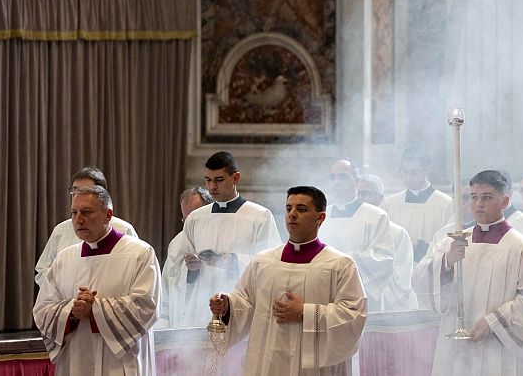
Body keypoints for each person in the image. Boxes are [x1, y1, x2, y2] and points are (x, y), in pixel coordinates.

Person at [209, 186, 367, 375]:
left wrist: (305, 312)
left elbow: (354, 315)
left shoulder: (339, 264)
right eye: (288, 208)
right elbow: (245, 301)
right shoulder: (263, 261)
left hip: (312, 367)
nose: (292, 214)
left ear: (320, 217)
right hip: (268, 361)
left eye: (301, 209)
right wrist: (227, 305)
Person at [414, 170, 523, 375]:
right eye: (474, 197)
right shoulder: (454, 242)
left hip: (500, 347)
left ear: (505, 201)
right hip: (458, 352)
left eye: (487, 197)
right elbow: (420, 279)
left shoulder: (521, 248)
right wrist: (446, 262)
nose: (478, 204)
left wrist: (493, 322)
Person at [34, 186, 160, 375]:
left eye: (86, 212)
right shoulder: (64, 259)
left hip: (120, 363)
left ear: (108, 215)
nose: (78, 219)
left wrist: (94, 309)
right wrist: (72, 311)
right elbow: (43, 309)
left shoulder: (139, 253)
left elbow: (146, 306)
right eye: (74, 213)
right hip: (75, 360)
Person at [182, 151, 282, 326]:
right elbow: (180, 270)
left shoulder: (260, 216)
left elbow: (272, 265)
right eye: (208, 180)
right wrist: (192, 267)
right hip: (202, 306)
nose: (212, 186)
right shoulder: (195, 218)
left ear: (235, 178)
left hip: (242, 305)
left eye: (219, 180)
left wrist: (233, 261)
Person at [35, 167, 138, 286]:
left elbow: (133, 273)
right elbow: (42, 271)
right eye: (75, 192)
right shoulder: (61, 230)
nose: (79, 196)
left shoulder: (124, 229)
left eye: (86, 191)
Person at [320, 159, 395, 311]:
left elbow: (384, 258)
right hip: (324, 297)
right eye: (332, 178)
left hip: (360, 298)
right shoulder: (321, 216)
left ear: (356, 181)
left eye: (342, 177)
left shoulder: (375, 216)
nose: (336, 182)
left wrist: (343, 263)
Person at [359, 173, 418, 311]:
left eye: (365, 193)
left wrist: (369, 290)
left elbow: (402, 278)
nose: (360, 198)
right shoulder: (352, 231)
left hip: (388, 310)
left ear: (380, 198)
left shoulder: (397, 233)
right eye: (358, 193)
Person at [382, 146, 453, 261]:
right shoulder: (390, 204)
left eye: (414, 172)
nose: (408, 177)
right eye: (404, 171)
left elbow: (448, 244)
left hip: (430, 269)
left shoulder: (445, 204)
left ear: (428, 169)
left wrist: (420, 247)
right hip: (397, 269)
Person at [156, 187, 213, 328]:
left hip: (208, 320)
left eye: (194, 218)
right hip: (179, 324)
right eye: (186, 220)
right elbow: (167, 285)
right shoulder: (176, 243)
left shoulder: (219, 238)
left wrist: (201, 267)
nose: (190, 225)